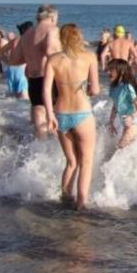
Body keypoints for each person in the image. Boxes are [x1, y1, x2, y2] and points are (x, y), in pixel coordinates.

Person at [43, 23, 100, 210]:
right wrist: (88, 89)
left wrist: (50, 115)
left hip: (61, 114)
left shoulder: (53, 60)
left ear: (62, 38)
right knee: (86, 162)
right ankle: (80, 204)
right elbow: (96, 89)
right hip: (82, 114)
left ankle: (65, 199)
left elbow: (46, 90)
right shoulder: (89, 56)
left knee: (71, 162)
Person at [9, 4, 61, 138]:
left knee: (39, 115)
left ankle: (37, 150)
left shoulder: (27, 33)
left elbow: (14, 60)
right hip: (50, 79)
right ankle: (56, 151)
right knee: (59, 115)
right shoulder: (52, 30)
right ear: (52, 16)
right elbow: (50, 51)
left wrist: (32, 57)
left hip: (33, 79)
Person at [107, 59, 137, 148]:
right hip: (126, 126)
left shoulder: (127, 87)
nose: (108, 72)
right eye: (108, 70)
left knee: (120, 148)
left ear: (122, 72)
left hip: (134, 125)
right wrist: (111, 122)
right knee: (120, 150)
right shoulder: (113, 87)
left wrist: (131, 117)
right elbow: (115, 106)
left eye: (111, 70)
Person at [1, 21, 33, 99]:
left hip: (11, 69)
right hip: (21, 70)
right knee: (24, 99)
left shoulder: (14, 40)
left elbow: (0, 52)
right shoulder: (28, 41)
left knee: (13, 97)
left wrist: (8, 61)